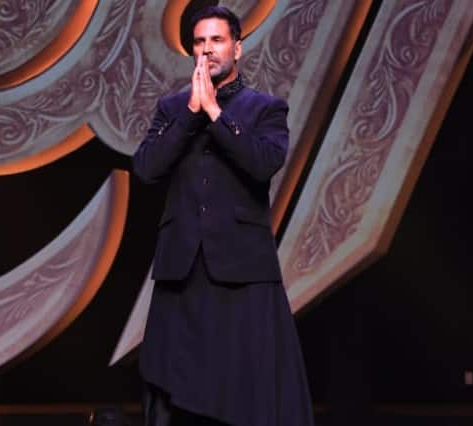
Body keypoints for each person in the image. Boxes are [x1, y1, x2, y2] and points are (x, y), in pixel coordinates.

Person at [132, 6, 314, 426]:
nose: (208, 49)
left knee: (245, 390)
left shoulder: (266, 109)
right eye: (200, 42)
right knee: (176, 387)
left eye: (217, 40)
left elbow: (262, 164)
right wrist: (191, 114)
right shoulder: (172, 109)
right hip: (182, 268)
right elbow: (146, 169)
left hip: (242, 268)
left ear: (237, 48)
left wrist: (216, 113)